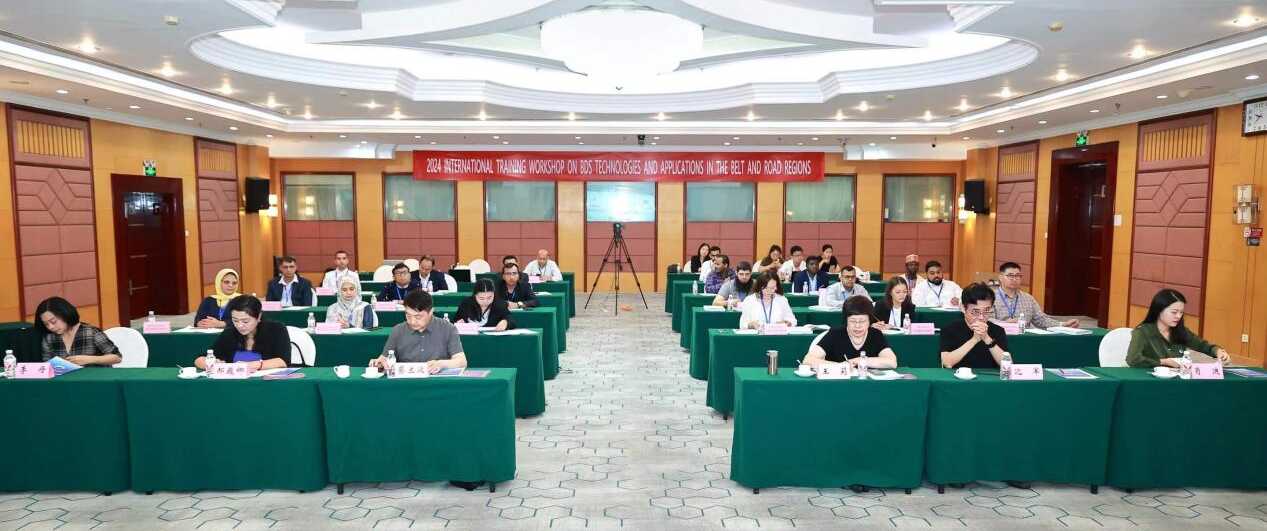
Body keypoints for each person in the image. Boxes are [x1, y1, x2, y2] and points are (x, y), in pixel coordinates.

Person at [1126, 288, 1231, 368]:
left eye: (1181, 312)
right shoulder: (1142, 332)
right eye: (1174, 312)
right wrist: (1163, 362)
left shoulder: (1181, 331)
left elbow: (1203, 346)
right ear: (1159, 310)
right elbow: (1133, 359)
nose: (1178, 316)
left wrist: (1218, 351)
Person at [371, 290, 467, 372]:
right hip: (406, 382)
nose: (412, 321)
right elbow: (384, 358)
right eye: (408, 316)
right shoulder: (398, 330)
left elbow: (462, 361)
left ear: (431, 312)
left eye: (418, 317)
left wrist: (441, 364)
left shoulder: (448, 328)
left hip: (437, 381)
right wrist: (379, 363)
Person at [195, 295, 289, 370]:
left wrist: (252, 366)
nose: (239, 325)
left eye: (245, 321)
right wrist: (212, 364)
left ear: (259, 317)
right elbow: (200, 359)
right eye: (235, 320)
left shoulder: (276, 329)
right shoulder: (229, 333)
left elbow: (283, 361)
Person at [804, 296, 897, 368]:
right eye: (853, 321)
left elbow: (892, 362)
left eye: (862, 321)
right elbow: (808, 360)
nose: (857, 326)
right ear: (846, 320)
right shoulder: (835, 334)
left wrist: (858, 361)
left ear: (870, 321)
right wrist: (840, 366)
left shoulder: (875, 334)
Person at [940, 283, 1010, 369]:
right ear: (963, 308)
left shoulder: (998, 330)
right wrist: (974, 340)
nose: (981, 317)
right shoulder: (950, 330)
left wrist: (987, 338)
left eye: (986, 311)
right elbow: (947, 363)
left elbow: (1007, 365)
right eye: (976, 312)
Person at [37, 296, 120, 366]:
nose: (50, 327)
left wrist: (90, 359)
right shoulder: (49, 338)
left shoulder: (91, 332)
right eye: (46, 324)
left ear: (65, 314)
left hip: (95, 378)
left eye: (53, 321)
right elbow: (47, 365)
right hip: (66, 379)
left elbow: (117, 357)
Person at [993, 262, 1078, 329]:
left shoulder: (1028, 298)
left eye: (1018, 276)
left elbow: (1041, 319)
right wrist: (1005, 324)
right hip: (1000, 337)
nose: (1014, 279)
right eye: (1010, 276)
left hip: (1024, 338)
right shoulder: (991, 297)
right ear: (1000, 277)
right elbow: (988, 320)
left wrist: (1063, 324)